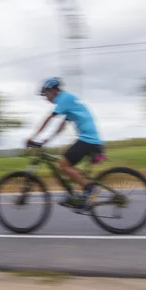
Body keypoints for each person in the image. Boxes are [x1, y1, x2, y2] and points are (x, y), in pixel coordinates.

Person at [27, 77, 105, 209]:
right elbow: (61, 126)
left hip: (88, 139)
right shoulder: (67, 100)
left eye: (46, 94)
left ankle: (90, 190)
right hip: (89, 139)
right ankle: (76, 196)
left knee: (63, 164)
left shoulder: (63, 99)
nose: (46, 98)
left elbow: (49, 119)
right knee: (67, 165)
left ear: (53, 91)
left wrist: (33, 137)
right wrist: (45, 140)